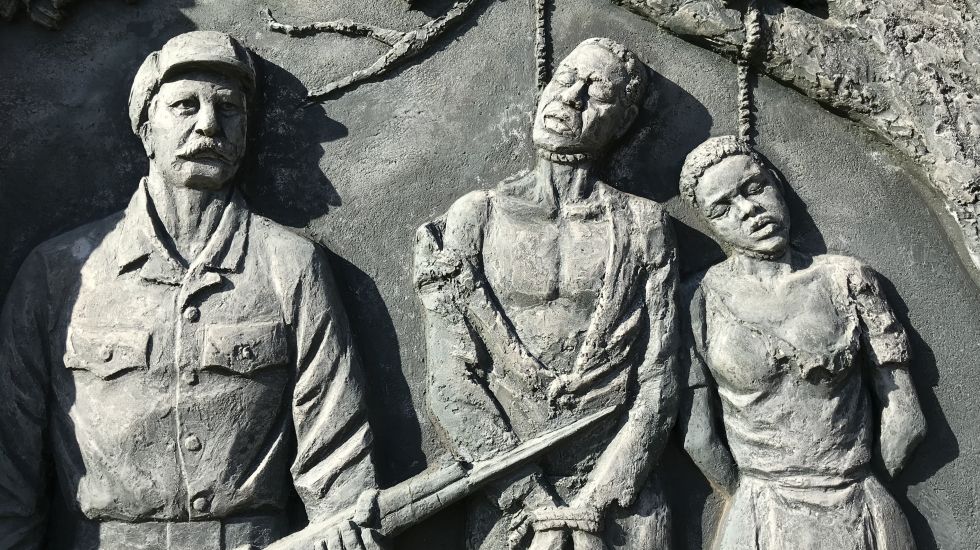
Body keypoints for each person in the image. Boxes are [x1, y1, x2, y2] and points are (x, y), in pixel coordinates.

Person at [0, 31, 381, 550]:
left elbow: (338, 460)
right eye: (185, 105)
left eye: (229, 108)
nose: (208, 124)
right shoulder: (57, 274)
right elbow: (10, 471)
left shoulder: (290, 265)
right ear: (146, 127)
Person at [414, 38, 678, 550]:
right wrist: (533, 503)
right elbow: (450, 380)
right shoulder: (475, 216)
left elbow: (660, 376)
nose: (570, 97)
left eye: (596, 92)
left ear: (623, 122)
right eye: (565, 79)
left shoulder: (645, 224)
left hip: (619, 497)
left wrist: (595, 500)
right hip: (507, 495)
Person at [678, 135, 927, 549]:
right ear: (710, 224)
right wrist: (754, 494)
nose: (748, 210)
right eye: (722, 209)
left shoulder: (847, 279)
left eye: (753, 187)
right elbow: (698, 437)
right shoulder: (696, 300)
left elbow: (906, 416)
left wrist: (851, 483)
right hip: (758, 516)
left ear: (776, 182)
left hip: (859, 506)